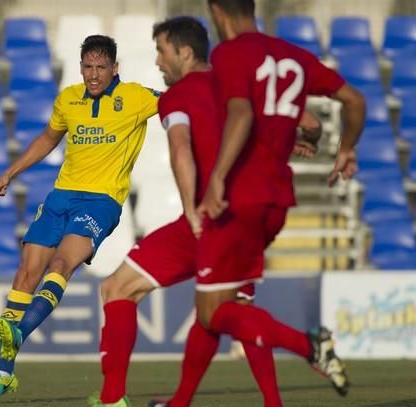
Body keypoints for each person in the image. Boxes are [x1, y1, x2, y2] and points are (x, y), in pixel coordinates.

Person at [88, 17, 322, 407]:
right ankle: (272, 400)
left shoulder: (177, 97)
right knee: (234, 310)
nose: (158, 62)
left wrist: (192, 211)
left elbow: (181, 151)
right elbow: (310, 123)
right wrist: (293, 139)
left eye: (161, 52)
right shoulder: (238, 80)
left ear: (184, 51)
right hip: (245, 218)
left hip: (205, 218)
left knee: (118, 289)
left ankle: (113, 400)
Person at [151, 1, 366, 405]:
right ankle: (186, 403)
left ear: (216, 11)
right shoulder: (294, 57)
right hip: (277, 202)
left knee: (216, 311)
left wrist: (216, 178)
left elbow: (242, 111)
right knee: (218, 304)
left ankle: (310, 345)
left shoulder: (230, 54)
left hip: (238, 199)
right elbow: (349, 103)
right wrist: (344, 149)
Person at [0, 34, 161, 405]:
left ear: (115, 69)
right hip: (60, 197)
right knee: (26, 274)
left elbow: (187, 100)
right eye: (88, 67)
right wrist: (10, 173)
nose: (94, 75)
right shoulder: (69, 99)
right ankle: (2, 374)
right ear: (80, 68)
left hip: (101, 202)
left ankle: (21, 332)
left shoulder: (138, 98)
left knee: (62, 263)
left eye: (101, 67)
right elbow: (47, 138)